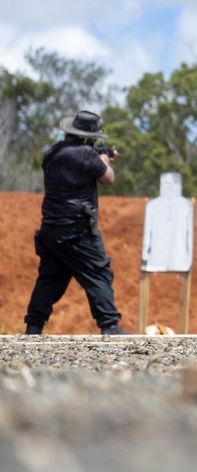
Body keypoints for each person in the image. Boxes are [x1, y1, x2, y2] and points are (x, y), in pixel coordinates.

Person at [23, 110, 128, 336]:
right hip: (77, 228)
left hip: (50, 228)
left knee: (50, 278)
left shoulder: (51, 153)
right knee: (98, 272)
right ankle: (109, 326)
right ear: (88, 138)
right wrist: (104, 158)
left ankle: (34, 326)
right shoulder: (87, 155)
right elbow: (108, 179)